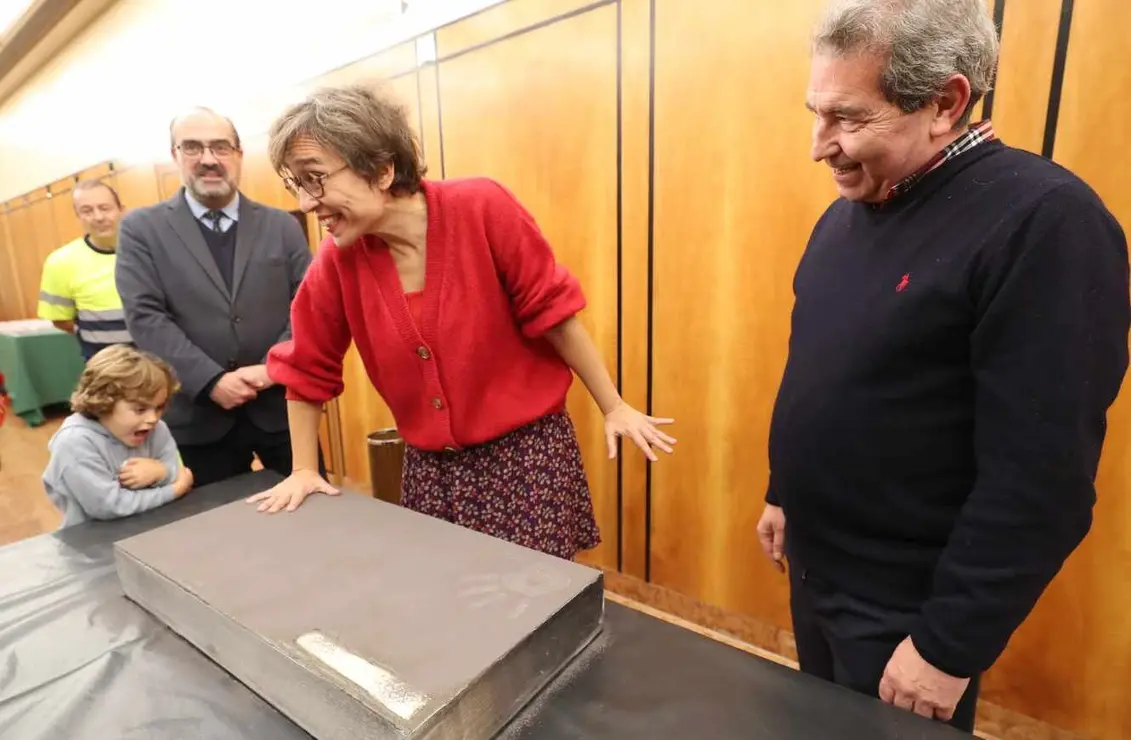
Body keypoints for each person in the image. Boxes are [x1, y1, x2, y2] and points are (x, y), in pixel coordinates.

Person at [757, 0, 1130, 732]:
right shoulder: (844, 216)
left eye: (847, 117)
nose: (817, 145)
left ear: (944, 103)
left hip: (907, 609)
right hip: (815, 566)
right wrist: (783, 493)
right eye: (815, 111)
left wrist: (946, 645)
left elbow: (1041, 482)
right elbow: (823, 373)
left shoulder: (1045, 224)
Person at [246, 82, 676, 561]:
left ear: (382, 169)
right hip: (432, 471)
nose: (307, 203)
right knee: (450, 603)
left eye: (316, 179)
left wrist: (613, 405)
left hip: (525, 459)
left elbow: (553, 313)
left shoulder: (481, 207)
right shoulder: (336, 260)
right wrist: (305, 468)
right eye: (297, 186)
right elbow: (306, 368)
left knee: (533, 603)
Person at [115, 107, 317, 488]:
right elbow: (146, 318)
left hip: (283, 410)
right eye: (192, 147)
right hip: (200, 416)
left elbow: (308, 306)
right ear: (175, 155)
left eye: (220, 147)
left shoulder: (282, 226)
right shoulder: (142, 230)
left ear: (239, 154)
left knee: (316, 518)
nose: (208, 159)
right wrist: (210, 381)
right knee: (219, 535)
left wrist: (271, 369)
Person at [41, 345, 194, 528]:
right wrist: (173, 490)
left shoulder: (157, 429)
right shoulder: (74, 442)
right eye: (140, 409)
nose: (153, 419)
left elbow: (179, 471)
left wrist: (161, 472)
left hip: (156, 529)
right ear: (104, 402)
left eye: (159, 407)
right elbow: (109, 506)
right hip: (94, 544)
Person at [37, 180, 133, 360]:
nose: (98, 217)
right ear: (78, 216)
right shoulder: (60, 263)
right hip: (105, 366)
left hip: (159, 361)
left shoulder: (147, 251)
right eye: (87, 211)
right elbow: (61, 320)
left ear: (121, 210)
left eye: (105, 208)